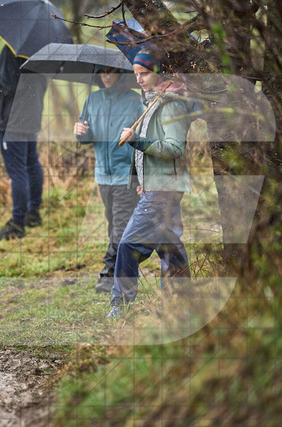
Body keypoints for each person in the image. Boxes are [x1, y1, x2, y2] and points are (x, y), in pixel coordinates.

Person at [107, 50, 192, 319]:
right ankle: (179, 304)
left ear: (158, 72)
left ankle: (121, 305)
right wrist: (142, 180)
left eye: (144, 73)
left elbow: (175, 148)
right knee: (170, 247)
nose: (139, 79)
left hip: (164, 189)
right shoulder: (153, 102)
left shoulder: (172, 104)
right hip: (157, 187)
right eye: (136, 75)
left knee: (128, 245)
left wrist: (137, 141)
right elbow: (150, 152)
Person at [74, 66, 144, 293]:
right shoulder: (92, 100)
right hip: (103, 175)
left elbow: (145, 135)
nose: (106, 76)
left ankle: (109, 273)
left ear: (120, 73)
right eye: (102, 71)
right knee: (114, 225)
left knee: (121, 226)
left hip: (127, 174)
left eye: (111, 71)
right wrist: (80, 133)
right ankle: (126, 271)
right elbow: (87, 135)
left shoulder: (135, 100)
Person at [0, 45, 48, 240]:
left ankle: (17, 224)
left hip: (13, 121)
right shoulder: (41, 48)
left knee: (18, 172)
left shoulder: (13, 50)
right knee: (32, 164)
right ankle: (33, 213)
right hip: (31, 117)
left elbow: (6, 85)